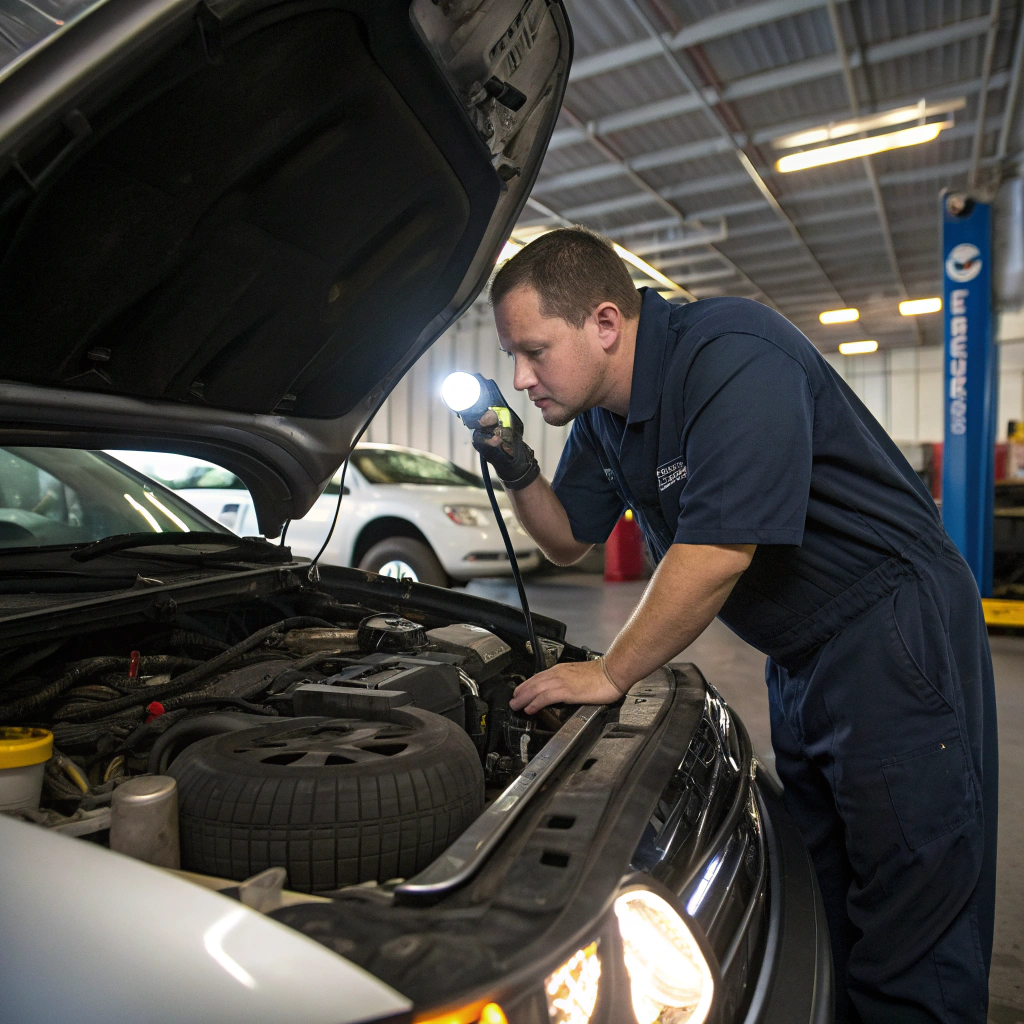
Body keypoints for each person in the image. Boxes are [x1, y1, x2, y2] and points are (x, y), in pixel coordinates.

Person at [465, 227, 997, 1024]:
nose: (521, 376)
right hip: (800, 653)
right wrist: (518, 466)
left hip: (891, 629)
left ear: (604, 323)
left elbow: (715, 552)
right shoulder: (606, 418)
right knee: (830, 888)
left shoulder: (732, 353)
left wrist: (611, 673)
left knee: (911, 902)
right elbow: (568, 533)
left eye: (535, 351)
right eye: (513, 356)